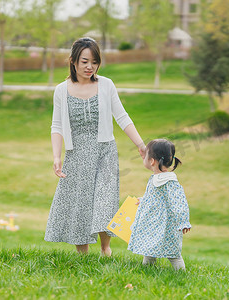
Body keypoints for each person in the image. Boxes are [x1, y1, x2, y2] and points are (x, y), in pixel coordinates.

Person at [44, 37, 146, 256]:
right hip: (77, 154)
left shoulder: (106, 85)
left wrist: (140, 144)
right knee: (80, 204)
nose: (90, 67)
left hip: (104, 152)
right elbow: (57, 125)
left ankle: (105, 249)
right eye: (84, 61)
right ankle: (83, 256)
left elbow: (122, 116)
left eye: (94, 62)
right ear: (73, 61)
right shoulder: (61, 90)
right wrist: (56, 156)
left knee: (105, 201)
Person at [128, 139, 191, 270]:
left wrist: (183, 221)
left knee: (173, 253)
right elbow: (155, 197)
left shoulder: (170, 181)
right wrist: (144, 200)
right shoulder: (156, 178)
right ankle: (147, 269)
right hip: (153, 223)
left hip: (166, 225)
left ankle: (181, 273)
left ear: (152, 161)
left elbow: (179, 202)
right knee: (149, 247)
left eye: (145, 156)